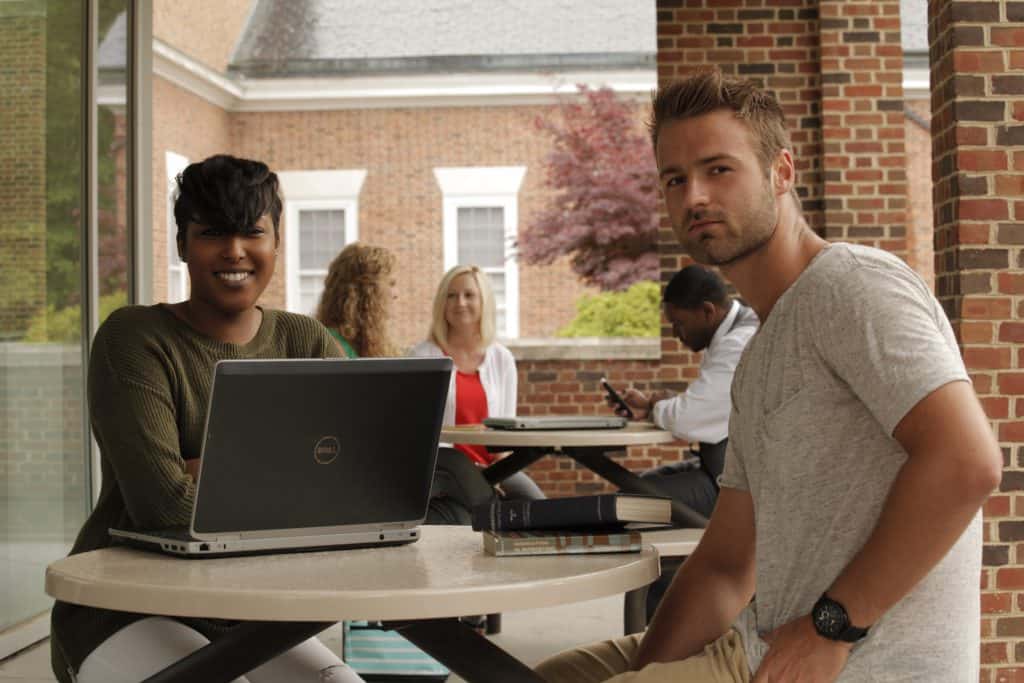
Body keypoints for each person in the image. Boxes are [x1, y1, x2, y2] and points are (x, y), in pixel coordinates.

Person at [536, 71, 1001, 682]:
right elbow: (727, 564)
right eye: (675, 179)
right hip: (758, 648)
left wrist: (833, 625)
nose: (694, 195)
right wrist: (641, 670)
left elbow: (967, 463)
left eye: (718, 169)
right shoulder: (758, 359)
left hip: (856, 662)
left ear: (781, 172)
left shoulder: (852, 286)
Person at [50, 155, 363, 683]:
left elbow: (351, 489)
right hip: (123, 608)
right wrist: (294, 472)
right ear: (182, 244)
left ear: (276, 243)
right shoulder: (135, 340)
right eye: (212, 232)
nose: (234, 250)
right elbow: (164, 505)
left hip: (255, 613)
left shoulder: (305, 341)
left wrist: (205, 468)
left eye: (251, 232)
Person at [612, 264, 758, 520]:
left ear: (707, 311)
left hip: (740, 487)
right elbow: (706, 408)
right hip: (720, 469)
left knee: (627, 504)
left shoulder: (739, 344)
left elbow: (686, 419)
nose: (675, 334)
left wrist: (656, 406)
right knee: (637, 486)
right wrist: (651, 407)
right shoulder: (731, 335)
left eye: (679, 323)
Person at [410, 264, 544, 502]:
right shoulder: (422, 358)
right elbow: (415, 432)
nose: (460, 303)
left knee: (537, 506)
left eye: (469, 295)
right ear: (442, 303)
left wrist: (500, 471)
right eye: (451, 295)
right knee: (487, 505)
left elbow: (507, 431)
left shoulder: (501, 358)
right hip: (443, 469)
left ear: (484, 302)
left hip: (493, 466)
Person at [315, 241, 399, 358]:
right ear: (367, 292)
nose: (396, 294)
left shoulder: (368, 343)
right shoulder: (332, 346)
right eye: (391, 283)